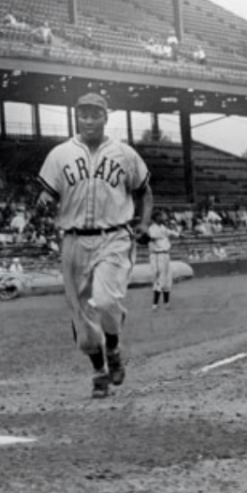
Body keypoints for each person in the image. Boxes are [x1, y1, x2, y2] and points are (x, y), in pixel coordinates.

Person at [37, 92, 153, 399]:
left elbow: (144, 191)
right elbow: (49, 192)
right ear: (77, 117)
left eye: (95, 114)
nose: (89, 120)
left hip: (113, 236)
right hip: (73, 240)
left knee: (104, 301)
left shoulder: (124, 154)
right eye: (84, 114)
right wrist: (44, 201)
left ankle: (113, 347)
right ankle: (100, 371)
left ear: (106, 117)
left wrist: (143, 223)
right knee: (84, 323)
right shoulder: (60, 154)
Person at [147, 210, 180, 311]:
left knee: (167, 278)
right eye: (160, 216)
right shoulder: (152, 228)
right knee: (159, 279)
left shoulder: (163, 227)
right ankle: (155, 305)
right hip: (157, 255)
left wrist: (176, 232)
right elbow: (153, 237)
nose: (163, 218)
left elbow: (174, 234)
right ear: (155, 218)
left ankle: (167, 303)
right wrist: (168, 233)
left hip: (166, 255)